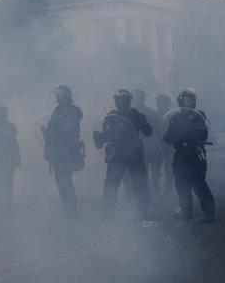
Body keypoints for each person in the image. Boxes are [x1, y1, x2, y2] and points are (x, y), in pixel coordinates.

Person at [93, 89, 152, 220]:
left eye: (124, 100)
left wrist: (140, 119)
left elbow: (148, 131)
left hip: (134, 153)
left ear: (129, 101)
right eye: (119, 100)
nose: (122, 102)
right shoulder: (111, 117)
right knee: (111, 184)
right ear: (116, 101)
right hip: (117, 154)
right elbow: (105, 137)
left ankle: (143, 213)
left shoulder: (135, 114)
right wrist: (98, 138)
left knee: (139, 183)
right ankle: (108, 215)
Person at [164, 89, 216, 223]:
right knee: (181, 184)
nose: (189, 102)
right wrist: (169, 137)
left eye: (191, 100)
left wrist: (184, 136)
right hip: (180, 153)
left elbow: (202, 134)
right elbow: (168, 135)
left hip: (195, 152)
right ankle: (186, 212)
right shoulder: (175, 118)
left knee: (198, 183)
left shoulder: (199, 115)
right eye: (187, 100)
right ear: (180, 102)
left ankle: (209, 213)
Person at [42, 85, 85, 217]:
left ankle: (70, 211)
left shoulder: (74, 111)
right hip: (58, 151)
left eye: (62, 95)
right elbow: (52, 129)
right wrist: (47, 134)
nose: (60, 97)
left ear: (68, 96)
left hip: (69, 150)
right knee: (61, 181)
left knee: (65, 180)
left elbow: (71, 129)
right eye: (58, 95)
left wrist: (58, 136)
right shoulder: (56, 111)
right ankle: (68, 210)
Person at [133, 89, 164, 195]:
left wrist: (160, 145)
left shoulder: (151, 113)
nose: (138, 99)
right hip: (139, 149)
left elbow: (159, 130)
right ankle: (146, 195)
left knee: (155, 174)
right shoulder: (129, 113)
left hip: (152, 147)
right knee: (143, 174)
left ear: (143, 98)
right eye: (136, 97)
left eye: (140, 97)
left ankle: (155, 194)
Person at [156, 93, 175, 196]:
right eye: (161, 102)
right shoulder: (153, 115)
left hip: (168, 146)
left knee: (169, 170)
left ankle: (168, 192)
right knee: (155, 170)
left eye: (165, 102)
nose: (163, 104)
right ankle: (155, 192)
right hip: (155, 147)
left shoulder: (173, 115)